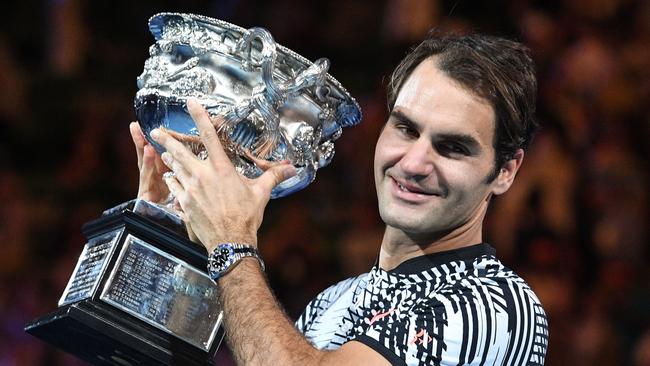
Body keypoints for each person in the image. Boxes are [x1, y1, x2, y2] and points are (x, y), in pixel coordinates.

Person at [129, 30, 548, 365]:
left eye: (452, 147)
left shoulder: (497, 308)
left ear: (505, 171)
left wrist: (230, 241)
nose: (415, 162)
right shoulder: (333, 301)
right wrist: (169, 237)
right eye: (405, 128)